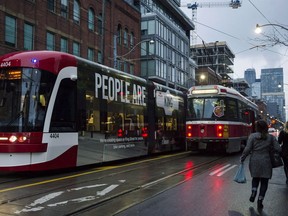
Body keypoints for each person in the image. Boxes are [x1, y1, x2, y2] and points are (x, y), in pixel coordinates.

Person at [240, 120, 281, 210]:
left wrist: (242, 158)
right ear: (266, 127)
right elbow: (278, 148)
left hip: (254, 160)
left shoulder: (252, 136)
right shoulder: (270, 137)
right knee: (264, 182)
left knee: (255, 178)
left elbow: (247, 149)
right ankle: (260, 200)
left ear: (257, 127)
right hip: (266, 161)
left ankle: (253, 192)